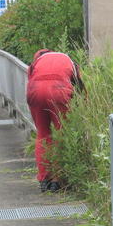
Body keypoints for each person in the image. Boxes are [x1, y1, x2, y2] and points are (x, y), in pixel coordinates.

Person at [26, 49, 83, 192]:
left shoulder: (37, 62)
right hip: (59, 91)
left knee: (43, 134)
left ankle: (44, 179)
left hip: (35, 92)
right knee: (61, 133)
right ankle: (57, 180)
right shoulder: (67, 59)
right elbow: (79, 85)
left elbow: (30, 77)